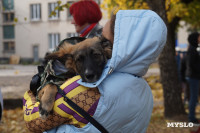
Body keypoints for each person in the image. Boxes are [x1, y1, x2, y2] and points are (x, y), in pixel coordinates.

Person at [40, 10, 167, 133]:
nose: (100, 41)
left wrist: (28, 98)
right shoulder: (145, 90)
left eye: (104, 39)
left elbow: (35, 121)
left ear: (120, 42)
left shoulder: (89, 90)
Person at [185, 32, 200, 124]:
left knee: (194, 97)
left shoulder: (193, 48)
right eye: (198, 37)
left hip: (194, 76)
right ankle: (191, 117)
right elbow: (193, 64)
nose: (199, 39)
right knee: (193, 97)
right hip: (193, 77)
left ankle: (192, 116)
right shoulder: (192, 49)